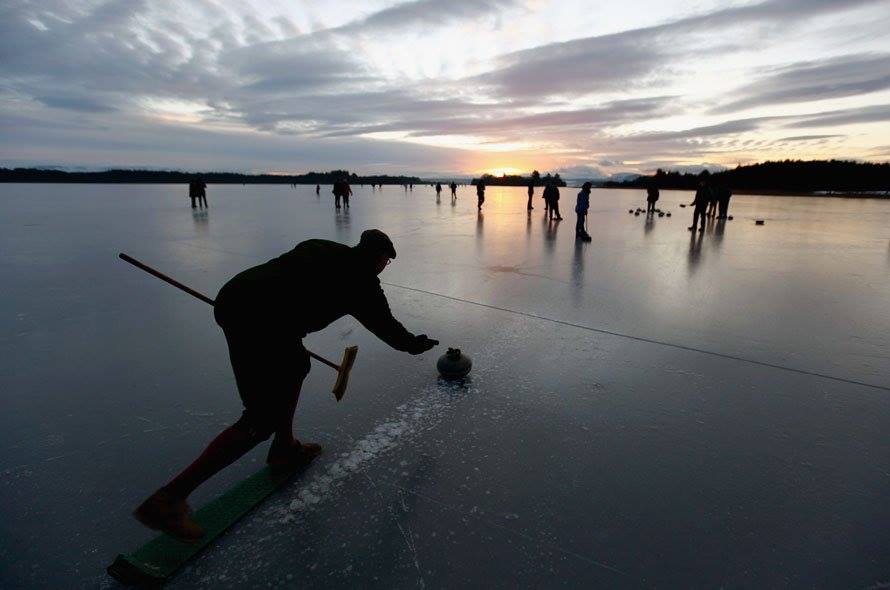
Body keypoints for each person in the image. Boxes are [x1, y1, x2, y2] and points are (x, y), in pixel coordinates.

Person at [133, 230, 439, 541]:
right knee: (259, 418)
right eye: (386, 261)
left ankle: (284, 447)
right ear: (378, 259)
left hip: (239, 297)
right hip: (259, 319)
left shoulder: (322, 246)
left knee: (296, 365)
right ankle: (167, 501)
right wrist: (413, 345)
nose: (384, 266)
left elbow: (289, 275)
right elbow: (386, 326)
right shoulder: (362, 285)